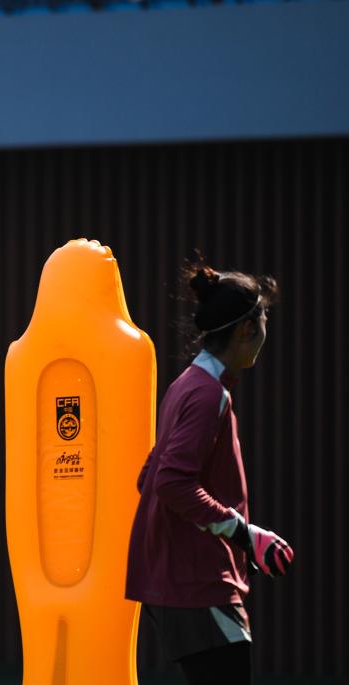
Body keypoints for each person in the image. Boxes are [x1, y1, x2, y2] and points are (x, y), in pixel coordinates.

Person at [125, 258, 295, 685]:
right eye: (264, 320)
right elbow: (169, 482)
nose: (266, 332)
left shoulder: (186, 385)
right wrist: (244, 533)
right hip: (197, 585)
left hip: (182, 581)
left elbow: (149, 477)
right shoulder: (206, 395)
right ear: (246, 329)